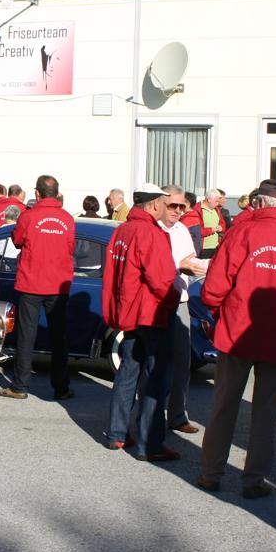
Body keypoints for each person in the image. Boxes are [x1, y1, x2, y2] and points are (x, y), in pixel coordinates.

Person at [195, 179, 276, 499]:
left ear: (260, 203)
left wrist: (222, 315)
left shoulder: (241, 233)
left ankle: (211, 473)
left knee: (224, 406)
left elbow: (214, 287)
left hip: (238, 332)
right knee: (266, 411)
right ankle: (253, 479)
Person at [102, 184, 181, 459]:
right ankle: (150, 444)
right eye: (165, 202)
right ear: (154, 204)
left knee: (127, 373)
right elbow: (161, 280)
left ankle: (117, 434)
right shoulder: (150, 233)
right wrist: (174, 298)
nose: (168, 207)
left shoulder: (122, 230)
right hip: (151, 314)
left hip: (130, 314)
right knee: (156, 378)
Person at [0, 175, 75, 401]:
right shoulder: (67, 219)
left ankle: (21, 386)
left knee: (26, 335)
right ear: (56, 193)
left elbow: (17, 240)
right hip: (58, 283)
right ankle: (61, 387)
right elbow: (70, 247)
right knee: (59, 337)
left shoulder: (29, 217)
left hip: (32, 282)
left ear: (37, 193)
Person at [158, 185, 209, 436]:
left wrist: (203, 266)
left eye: (182, 206)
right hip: (157, 302)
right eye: (173, 205)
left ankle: (177, 415)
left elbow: (190, 258)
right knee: (154, 362)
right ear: (160, 203)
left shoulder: (181, 230)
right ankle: (151, 416)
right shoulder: (153, 229)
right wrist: (182, 265)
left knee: (182, 361)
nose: (178, 211)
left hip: (181, 300)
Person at [193, 189, 227, 258]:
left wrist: (221, 227)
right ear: (209, 200)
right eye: (216, 201)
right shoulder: (197, 210)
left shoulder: (216, 210)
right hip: (203, 248)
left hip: (216, 246)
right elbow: (196, 231)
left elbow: (222, 224)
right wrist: (211, 230)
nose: (218, 204)